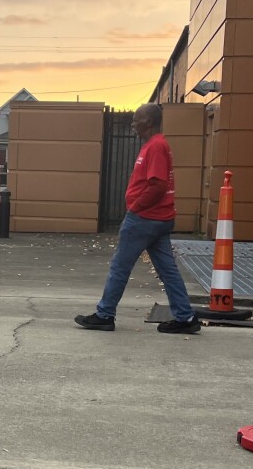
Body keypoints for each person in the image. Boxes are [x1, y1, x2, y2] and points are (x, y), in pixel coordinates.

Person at [75, 102, 199, 334]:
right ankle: (185, 317)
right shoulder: (154, 145)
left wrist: (135, 208)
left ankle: (105, 314)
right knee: (167, 270)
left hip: (145, 219)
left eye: (136, 120)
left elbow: (158, 184)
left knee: (120, 267)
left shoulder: (157, 147)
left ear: (149, 122)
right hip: (156, 219)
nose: (133, 125)